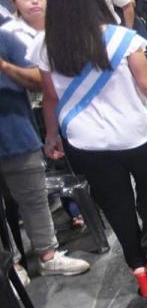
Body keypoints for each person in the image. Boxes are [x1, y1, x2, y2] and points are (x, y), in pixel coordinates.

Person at [34, 0, 147, 297]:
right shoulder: (123, 39)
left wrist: (51, 135)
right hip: (138, 134)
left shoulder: (45, 46)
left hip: (86, 143)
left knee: (115, 204)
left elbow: (50, 97)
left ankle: (138, 268)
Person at [0, 27, 91, 278]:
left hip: (16, 133)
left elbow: (40, 80)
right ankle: (11, 269)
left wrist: (5, 67)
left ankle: (48, 256)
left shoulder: (6, 37)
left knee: (34, 198)